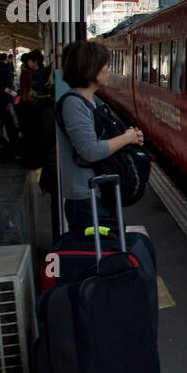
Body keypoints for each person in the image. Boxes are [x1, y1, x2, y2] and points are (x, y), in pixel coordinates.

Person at [57, 40, 144, 235]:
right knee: (102, 259)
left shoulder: (91, 100)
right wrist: (127, 138)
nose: (108, 69)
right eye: (104, 64)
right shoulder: (73, 104)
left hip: (98, 194)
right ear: (90, 68)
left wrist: (128, 137)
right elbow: (89, 151)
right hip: (86, 198)